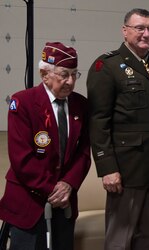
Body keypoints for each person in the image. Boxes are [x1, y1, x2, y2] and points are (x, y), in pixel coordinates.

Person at [86, 8, 149, 250]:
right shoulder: (106, 66)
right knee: (120, 238)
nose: (146, 33)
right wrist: (107, 168)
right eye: (140, 28)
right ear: (125, 31)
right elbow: (98, 121)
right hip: (127, 170)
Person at [0, 42, 91, 250]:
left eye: (74, 74)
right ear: (44, 74)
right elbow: (21, 158)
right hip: (28, 204)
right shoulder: (23, 102)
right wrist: (52, 190)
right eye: (63, 74)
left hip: (65, 205)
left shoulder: (80, 105)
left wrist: (69, 183)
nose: (69, 81)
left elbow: (84, 151)